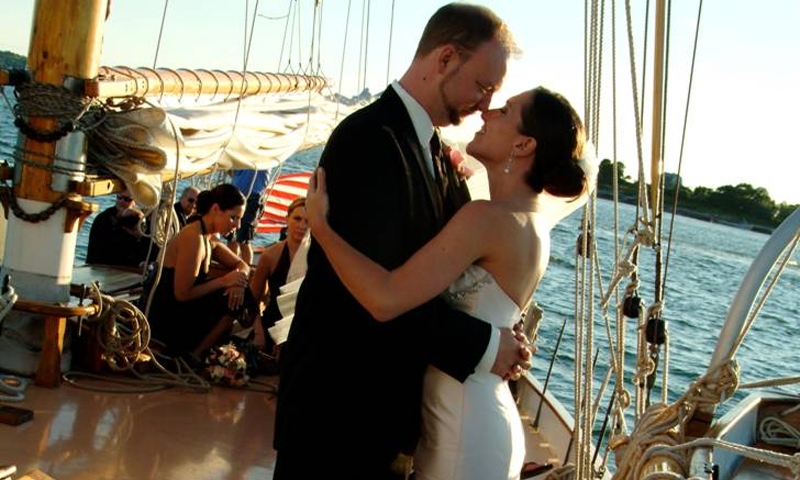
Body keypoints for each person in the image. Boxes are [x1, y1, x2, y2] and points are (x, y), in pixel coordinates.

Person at [273, 5, 531, 479]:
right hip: (337, 418)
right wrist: (484, 343)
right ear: (446, 58)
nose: (485, 104)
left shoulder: (434, 152)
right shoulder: (370, 139)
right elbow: (376, 293)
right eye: (482, 86)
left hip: (388, 418)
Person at [306, 87, 593, 480]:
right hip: (476, 414)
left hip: (463, 425)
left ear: (524, 144)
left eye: (505, 110)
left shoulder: (487, 219)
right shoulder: (531, 224)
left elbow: (385, 297)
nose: (488, 112)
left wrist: (322, 229)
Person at [146, 184, 266, 358]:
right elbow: (182, 294)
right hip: (167, 316)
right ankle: (195, 355)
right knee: (232, 301)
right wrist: (225, 281)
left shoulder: (208, 237)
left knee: (241, 293)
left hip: (184, 308)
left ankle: (201, 351)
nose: (237, 225)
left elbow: (243, 265)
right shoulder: (193, 238)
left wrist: (237, 283)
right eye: (233, 217)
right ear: (216, 209)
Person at [249, 197, 308, 354]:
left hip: (303, 328)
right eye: (297, 218)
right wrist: (258, 332)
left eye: (308, 221)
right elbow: (252, 299)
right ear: (287, 219)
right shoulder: (271, 255)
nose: (302, 225)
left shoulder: (319, 258)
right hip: (272, 324)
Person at [86, 190, 146, 267]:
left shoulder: (138, 219)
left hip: (126, 266)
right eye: (119, 197)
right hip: (102, 265)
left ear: (135, 202)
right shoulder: (104, 218)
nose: (121, 201)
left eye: (127, 199)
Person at [228, 169, 270, 265]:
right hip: (236, 195)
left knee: (243, 239)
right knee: (231, 237)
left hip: (253, 197)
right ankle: (229, 268)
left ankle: (246, 272)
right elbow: (230, 170)